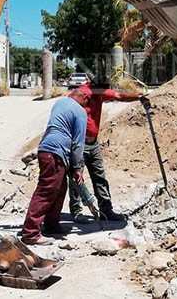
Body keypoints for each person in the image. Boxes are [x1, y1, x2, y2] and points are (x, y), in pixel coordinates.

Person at [69, 80, 145, 223]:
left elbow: (119, 96)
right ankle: (77, 212)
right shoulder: (79, 94)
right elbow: (68, 110)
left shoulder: (101, 91)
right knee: (77, 178)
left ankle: (106, 210)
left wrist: (138, 97)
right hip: (79, 143)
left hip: (94, 143)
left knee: (100, 177)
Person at [21, 88, 89, 246]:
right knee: (46, 190)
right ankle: (30, 233)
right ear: (84, 98)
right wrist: (78, 168)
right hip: (55, 152)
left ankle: (51, 225)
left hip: (46, 148)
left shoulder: (60, 102)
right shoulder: (80, 112)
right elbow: (78, 144)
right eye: (87, 102)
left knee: (59, 188)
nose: (87, 106)